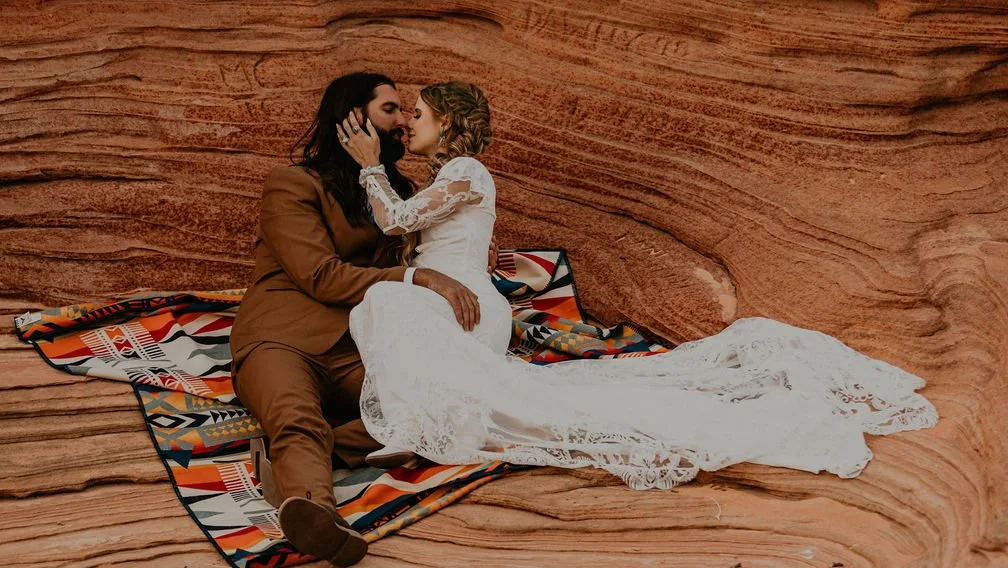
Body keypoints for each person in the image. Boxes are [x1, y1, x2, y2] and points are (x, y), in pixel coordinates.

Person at [339, 81, 940, 495]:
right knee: (400, 311)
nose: (408, 124)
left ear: (446, 123)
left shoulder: (467, 171)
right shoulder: (450, 177)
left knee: (387, 301)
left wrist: (368, 163)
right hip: (455, 300)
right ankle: (423, 425)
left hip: (463, 303)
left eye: (417, 114)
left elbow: (395, 220)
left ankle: (421, 428)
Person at [229, 73, 496, 568]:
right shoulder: (292, 184)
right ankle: (319, 517)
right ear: (351, 118)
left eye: (407, 113)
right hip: (281, 339)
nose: (402, 123)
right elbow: (321, 275)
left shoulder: (395, 195)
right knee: (296, 418)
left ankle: (302, 456)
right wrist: (419, 276)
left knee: (435, 410)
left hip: (359, 345)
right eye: (391, 110)